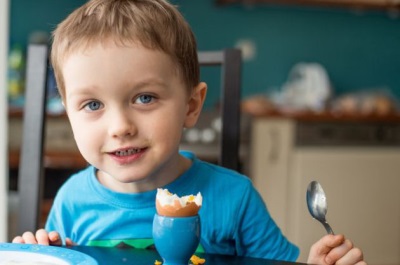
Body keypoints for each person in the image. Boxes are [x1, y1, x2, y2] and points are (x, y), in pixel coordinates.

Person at [12, 0, 366, 264]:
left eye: (145, 97)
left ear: (192, 106)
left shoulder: (235, 198)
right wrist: (43, 255)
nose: (120, 127)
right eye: (92, 105)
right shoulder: (71, 201)